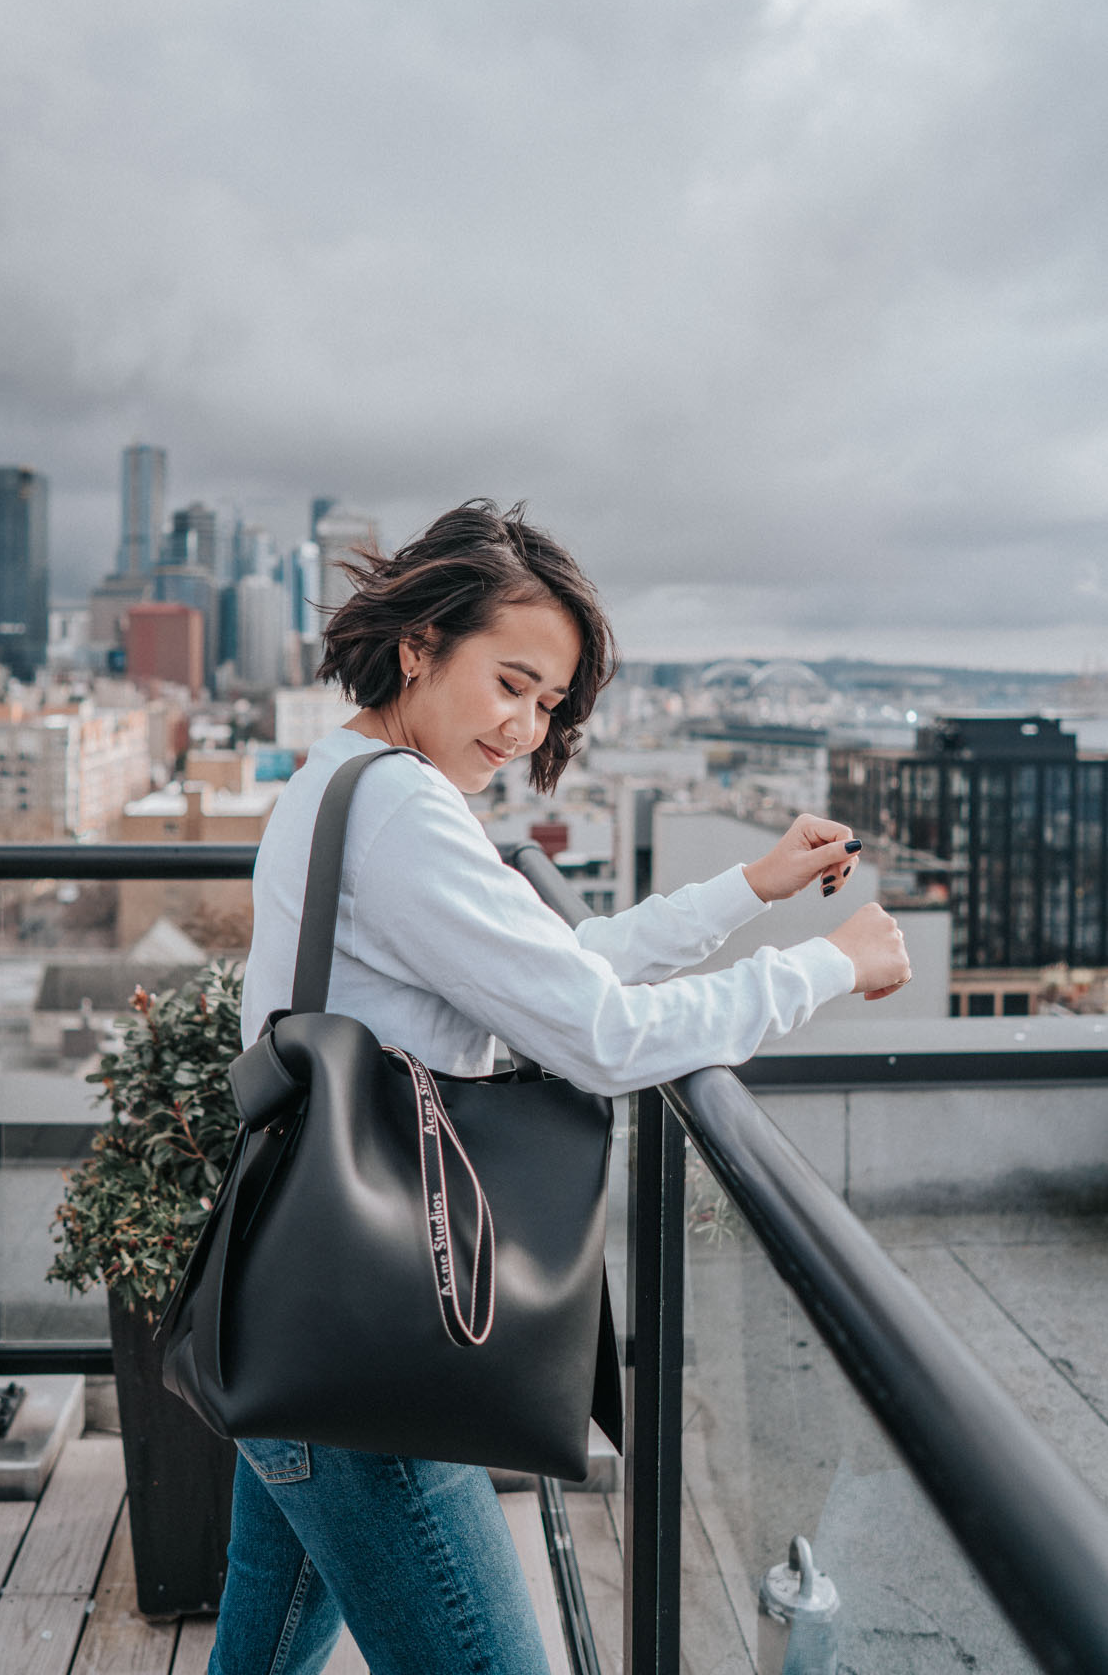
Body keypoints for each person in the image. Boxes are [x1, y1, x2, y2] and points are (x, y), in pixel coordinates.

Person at [211, 500, 910, 1675]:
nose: (523, 723)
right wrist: (828, 963)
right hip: (376, 1360)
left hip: (306, 1303)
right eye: (511, 680)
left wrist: (746, 887)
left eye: (547, 704)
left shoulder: (350, 771)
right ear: (420, 642)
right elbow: (601, 1035)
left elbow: (552, 967)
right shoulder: (403, 810)